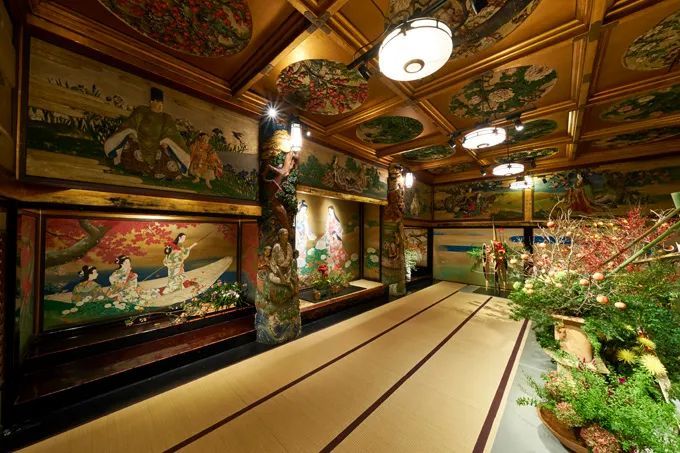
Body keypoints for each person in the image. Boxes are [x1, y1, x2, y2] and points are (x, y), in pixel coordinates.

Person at [103, 87, 191, 180]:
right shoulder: (141, 111)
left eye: (161, 103)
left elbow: (173, 134)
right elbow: (131, 124)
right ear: (152, 102)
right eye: (157, 102)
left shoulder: (166, 118)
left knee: (164, 156)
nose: (160, 105)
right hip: (139, 141)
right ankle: (135, 169)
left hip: (158, 145)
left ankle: (160, 173)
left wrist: (167, 142)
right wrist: (132, 133)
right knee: (130, 144)